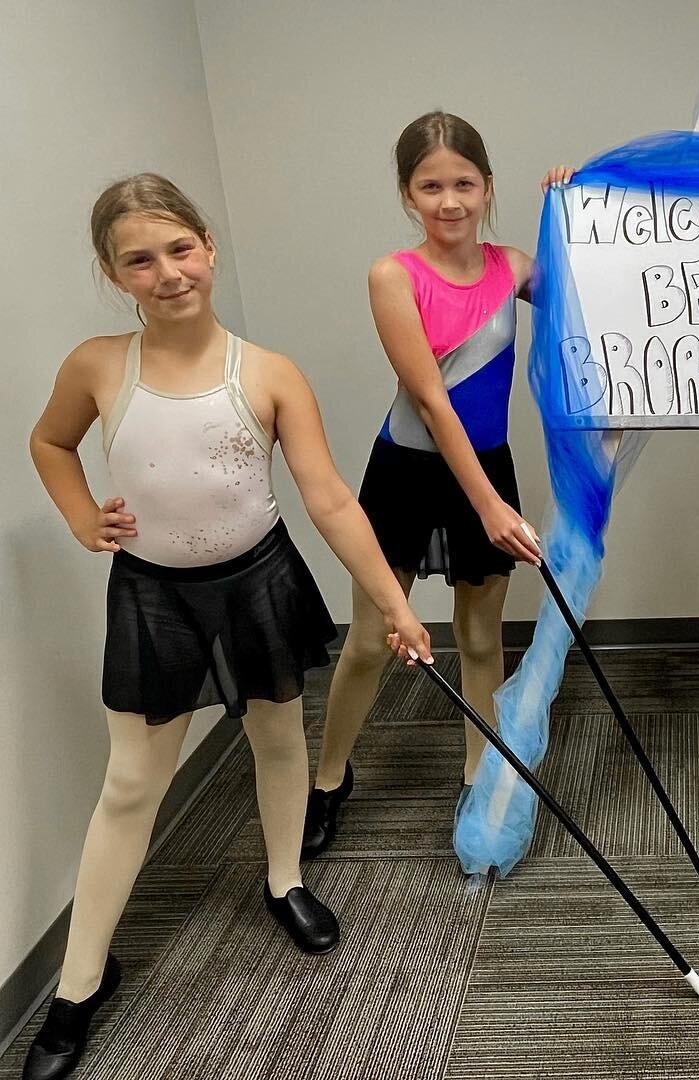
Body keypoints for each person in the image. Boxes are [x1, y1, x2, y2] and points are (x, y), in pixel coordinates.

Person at [25, 173, 432, 1079]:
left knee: (279, 740)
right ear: (113, 272)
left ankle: (284, 879)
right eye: (141, 259)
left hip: (258, 581)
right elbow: (49, 443)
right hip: (153, 595)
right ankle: (80, 982)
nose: (167, 272)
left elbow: (328, 498)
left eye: (179, 249)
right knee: (132, 786)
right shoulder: (98, 366)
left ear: (207, 247)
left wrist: (398, 607)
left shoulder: (271, 372)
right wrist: (82, 516)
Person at [304, 112, 561, 857]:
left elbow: (593, 288)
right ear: (408, 194)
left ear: (486, 187)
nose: (450, 201)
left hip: (488, 466)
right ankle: (328, 778)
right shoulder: (394, 275)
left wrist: (573, 200)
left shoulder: (512, 267)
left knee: (482, 638)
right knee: (369, 640)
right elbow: (430, 400)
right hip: (410, 473)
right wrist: (491, 506)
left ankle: (480, 778)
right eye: (431, 186)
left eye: (464, 184)